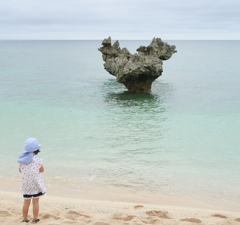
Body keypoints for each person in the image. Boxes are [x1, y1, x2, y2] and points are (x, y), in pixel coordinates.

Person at [18, 138, 47, 224]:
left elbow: (20, 171)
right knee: (35, 202)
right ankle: (34, 219)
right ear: (36, 150)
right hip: (35, 185)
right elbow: (42, 170)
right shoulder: (38, 160)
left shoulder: (21, 161)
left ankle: (25, 219)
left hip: (26, 185)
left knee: (26, 202)